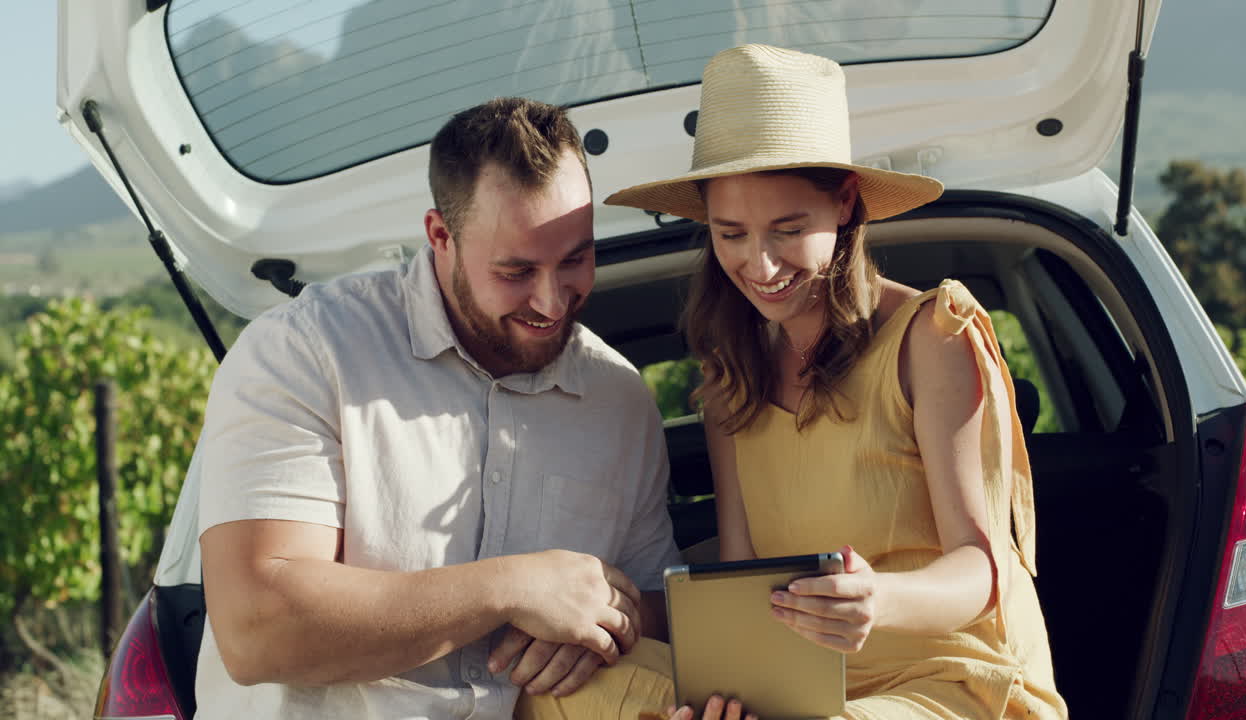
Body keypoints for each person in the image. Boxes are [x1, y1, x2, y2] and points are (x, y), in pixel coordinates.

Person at [539, 43, 1068, 720]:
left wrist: (878, 600)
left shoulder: (934, 336)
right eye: (730, 233)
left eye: (788, 229)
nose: (758, 264)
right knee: (571, 685)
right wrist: (720, 703)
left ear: (846, 204)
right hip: (800, 692)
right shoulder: (729, 376)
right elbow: (741, 580)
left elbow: (981, 570)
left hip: (949, 685)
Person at [193, 96, 681, 719]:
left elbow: (656, 602)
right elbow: (258, 628)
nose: (552, 300)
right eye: (517, 270)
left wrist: (617, 619)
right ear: (440, 236)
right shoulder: (305, 351)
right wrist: (512, 588)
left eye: (575, 260)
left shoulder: (619, 399)